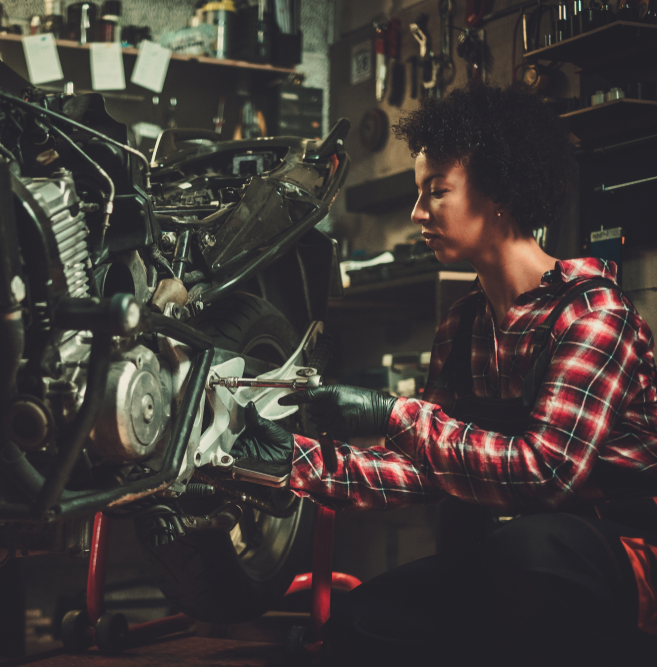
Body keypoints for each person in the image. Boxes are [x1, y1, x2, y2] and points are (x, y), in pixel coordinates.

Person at [231, 84, 657, 664]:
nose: (417, 213)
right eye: (418, 193)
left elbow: (548, 473)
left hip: (614, 560)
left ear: (499, 191)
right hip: (510, 557)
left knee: (527, 554)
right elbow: (425, 467)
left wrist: (391, 413)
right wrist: (292, 460)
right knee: (363, 623)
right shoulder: (462, 327)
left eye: (437, 193)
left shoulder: (593, 316)